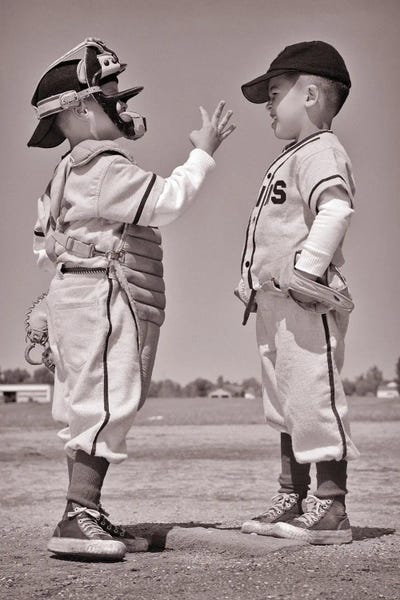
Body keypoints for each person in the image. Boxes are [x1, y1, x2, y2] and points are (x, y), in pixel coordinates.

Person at [29, 38, 235, 560]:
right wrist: (202, 154)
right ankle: (78, 516)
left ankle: (85, 511)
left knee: (84, 410)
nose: (121, 106)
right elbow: (166, 202)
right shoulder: (102, 167)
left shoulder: (66, 171)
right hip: (101, 294)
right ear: (78, 109)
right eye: (110, 97)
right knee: (105, 405)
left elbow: (45, 238)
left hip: (74, 292)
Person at [237, 41, 359, 545]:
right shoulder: (293, 155)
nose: (267, 104)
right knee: (286, 402)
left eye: (273, 92)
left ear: (310, 94)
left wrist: (307, 271)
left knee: (313, 397)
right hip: (274, 301)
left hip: (305, 299)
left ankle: (331, 508)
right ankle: (293, 497)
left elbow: (336, 210)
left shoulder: (322, 150)